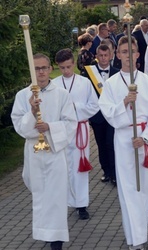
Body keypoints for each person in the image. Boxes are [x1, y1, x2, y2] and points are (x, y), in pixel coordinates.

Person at [98, 36, 148, 250]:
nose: (128, 56)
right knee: (129, 189)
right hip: (124, 139)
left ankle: (145, 217)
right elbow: (108, 112)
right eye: (123, 52)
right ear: (118, 55)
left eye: (131, 51)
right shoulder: (112, 84)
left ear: (138, 54)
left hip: (145, 138)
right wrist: (125, 102)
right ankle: (137, 239)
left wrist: (144, 137)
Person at [11, 53, 77, 250]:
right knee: (40, 194)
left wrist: (50, 127)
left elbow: (71, 123)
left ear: (50, 69)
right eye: (36, 68)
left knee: (56, 196)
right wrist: (32, 114)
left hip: (55, 153)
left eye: (43, 68)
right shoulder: (23, 96)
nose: (40, 72)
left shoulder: (62, 95)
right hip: (34, 153)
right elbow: (19, 126)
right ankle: (45, 231)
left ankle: (56, 241)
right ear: (32, 71)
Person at [53, 48, 99, 220]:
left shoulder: (84, 83)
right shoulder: (54, 85)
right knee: (63, 167)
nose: (66, 70)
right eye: (62, 67)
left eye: (68, 67)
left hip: (80, 130)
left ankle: (81, 203)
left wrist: (76, 110)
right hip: (62, 130)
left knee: (80, 168)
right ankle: (64, 201)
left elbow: (95, 105)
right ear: (57, 66)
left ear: (73, 64)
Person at [85, 44, 119, 185]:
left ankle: (114, 172)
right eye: (101, 55)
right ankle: (106, 170)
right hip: (97, 115)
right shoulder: (88, 74)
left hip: (113, 114)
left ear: (111, 55)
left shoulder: (117, 73)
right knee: (101, 144)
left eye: (106, 55)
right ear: (96, 56)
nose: (104, 58)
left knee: (111, 143)